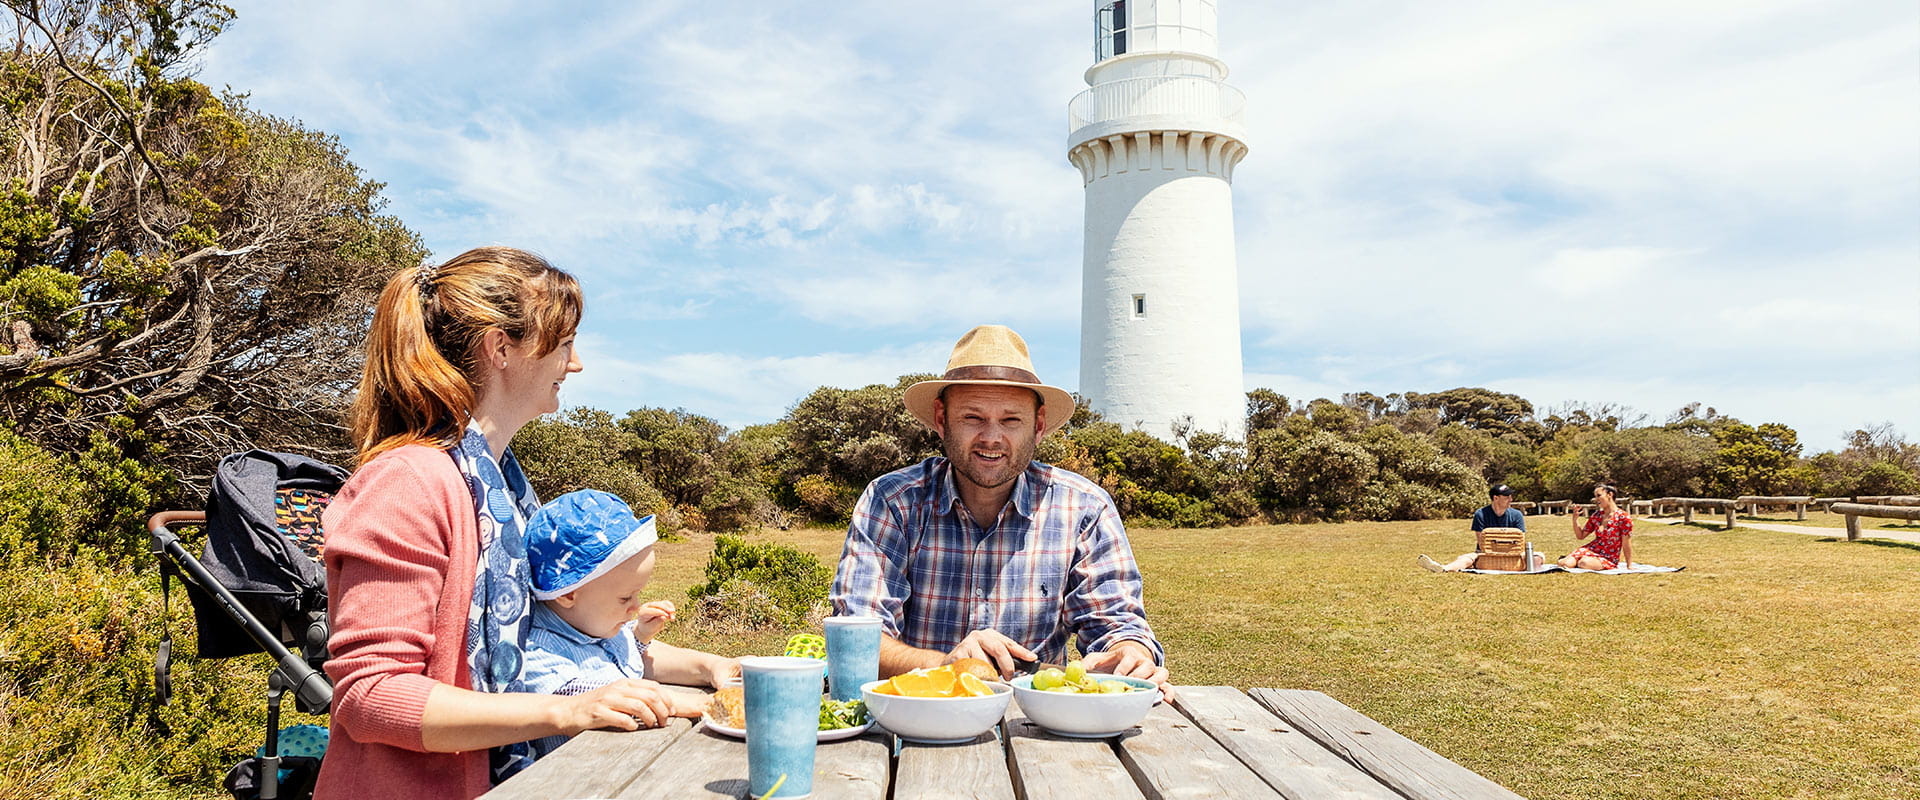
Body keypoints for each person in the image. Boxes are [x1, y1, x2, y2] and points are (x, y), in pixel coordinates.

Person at [319, 248, 671, 800]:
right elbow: (371, 695)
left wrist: (722, 669)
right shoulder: (408, 483)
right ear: (501, 348)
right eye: (563, 344)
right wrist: (564, 711)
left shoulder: (502, 488)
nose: (574, 364)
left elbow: (563, 641)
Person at [829, 325, 1170, 693]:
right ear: (942, 420)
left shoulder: (1084, 507)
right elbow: (857, 639)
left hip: (1039, 729)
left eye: (1011, 420)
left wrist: (1130, 652)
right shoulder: (893, 501)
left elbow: (1116, 623)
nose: (992, 437)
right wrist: (946, 666)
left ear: (1038, 426)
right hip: (914, 722)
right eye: (973, 418)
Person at [520, 489, 742, 759]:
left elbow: (624, 659)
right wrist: (704, 704)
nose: (636, 606)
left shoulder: (590, 624)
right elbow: (600, 696)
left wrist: (712, 665)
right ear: (568, 593)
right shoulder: (541, 652)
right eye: (625, 597)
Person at [1419, 484, 1529, 573]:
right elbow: (1482, 543)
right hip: (1486, 554)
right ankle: (1443, 568)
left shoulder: (1517, 515)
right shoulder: (1481, 514)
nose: (1511, 499)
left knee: (1538, 557)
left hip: (1512, 554)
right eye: (1507, 497)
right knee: (1466, 558)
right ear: (1495, 498)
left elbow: (1520, 541)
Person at [1560, 483, 1633, 570]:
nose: (1596, 499)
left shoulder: (1623, 517)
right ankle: (1572, 560)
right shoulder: (1597, 515)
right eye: (1595, 496)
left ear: (1610, 495)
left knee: (1584, 563)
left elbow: (1626, 543)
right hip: (1591, 549)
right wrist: (1575, 520)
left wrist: (1629, 565)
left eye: (1599, 495)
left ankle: (1579, 560)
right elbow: (1580, 536)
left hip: (1608, 556)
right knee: (1564, 564)